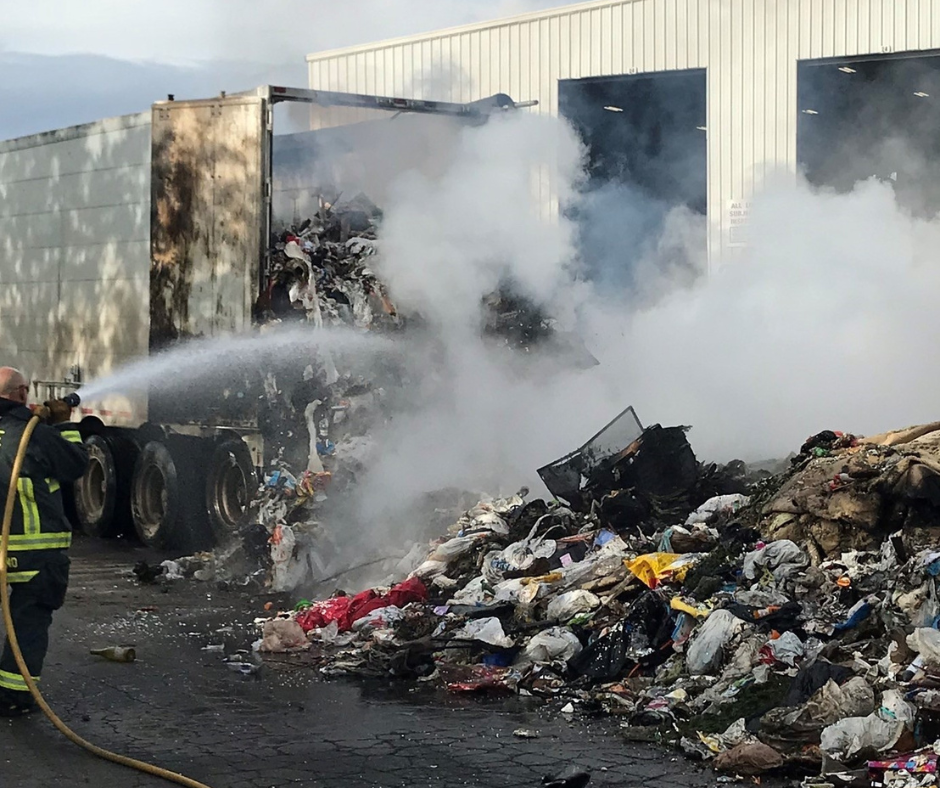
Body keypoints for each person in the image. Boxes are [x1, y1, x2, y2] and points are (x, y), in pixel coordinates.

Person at [0, 367, 87, 716]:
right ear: (21, 394)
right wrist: (65, 425)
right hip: (34, 551)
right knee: (29, 618)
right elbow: (76, 464)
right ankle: (15, 694)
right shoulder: (32, 436)